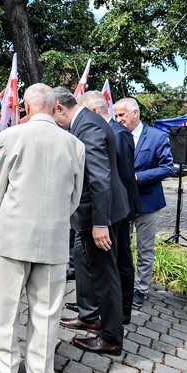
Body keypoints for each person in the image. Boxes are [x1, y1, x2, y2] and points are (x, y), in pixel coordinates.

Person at [0, 83, 85, 373]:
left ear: (27, 106)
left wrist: (12, 217)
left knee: (6, 306)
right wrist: (54, 220)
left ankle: (5, 368)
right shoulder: (74, 144)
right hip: (54, 236)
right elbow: (74, 197)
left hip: (14, 234)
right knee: (47, 310)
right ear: (54, 106)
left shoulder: (8, 137)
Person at [53, 87, 129, 356]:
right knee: (86, 264)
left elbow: (98, 177)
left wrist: (100, 223)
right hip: (86, 215)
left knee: (106, 275)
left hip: (99, 215)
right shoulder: (85, 122)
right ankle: (90, 316)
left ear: (59, 107)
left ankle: (111, 337)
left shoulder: (88, 126)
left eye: (52, 115)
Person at [77, 91, 141, 325]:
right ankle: (99, 309)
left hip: (117, 209)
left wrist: (106, 214)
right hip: (109, 208)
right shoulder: (105, 130)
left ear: (94, 111)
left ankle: (122, 310)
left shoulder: (118, 133)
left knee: (121, 259)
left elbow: (121, 177)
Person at [114, 97, 175, 308]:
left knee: (145, 248)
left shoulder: (157, 137)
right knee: (122, 246)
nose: (118, 119)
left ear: (135, 113)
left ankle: (141, 289)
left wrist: (138, 177)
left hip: (148, 202)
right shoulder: (116, 134)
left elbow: (168, 168)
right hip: (123, 203)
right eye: (116, 115)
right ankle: (123, 285)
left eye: (121, 115)